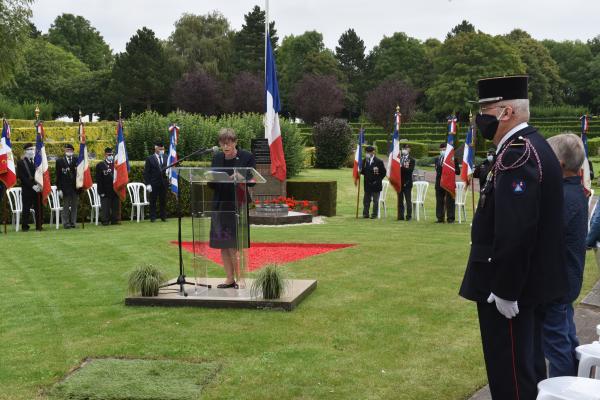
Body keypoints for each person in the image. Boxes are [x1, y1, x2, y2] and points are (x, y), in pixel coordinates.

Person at [459, 75, 568, 400]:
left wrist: (505, 290)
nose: (481, 119)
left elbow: (516, 230)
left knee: (512, 380)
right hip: (526, 286)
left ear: (506, 112)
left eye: (485, 110)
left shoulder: (517, 153)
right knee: (527, 370)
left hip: (509, 292)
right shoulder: (534, 147)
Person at [542, 133, 588, 377]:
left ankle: (564, 388)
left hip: (557, 284)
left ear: (559, 164)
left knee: (557, 346)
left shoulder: (562, 197)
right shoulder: (573, 191)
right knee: (566, 338)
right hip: (566, 280)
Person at [209, 128, 256, 288]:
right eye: (222, 143)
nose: (225, 147)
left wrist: (241, 177)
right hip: (220, 203)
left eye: (228, 143)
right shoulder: (216, 158)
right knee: (223, 243)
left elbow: (252, 179)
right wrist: (213, 178)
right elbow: (211, 182)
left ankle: (241, 278)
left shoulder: (246, 157)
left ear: (235, 142)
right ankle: (229, 278)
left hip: (237, 204)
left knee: (235, 244)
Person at [16, 143, 42, 231]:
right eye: (29, 149)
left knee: (38, 208)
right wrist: (32, 186)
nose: (31, 151)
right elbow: (22, 177)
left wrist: (39, 185)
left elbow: (41, 174)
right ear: (25, 151)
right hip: (27, 189)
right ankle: (25, 226)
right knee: (26, 208)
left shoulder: (37, 161)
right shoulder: (21, 163)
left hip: (38, 188)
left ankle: (39, 225)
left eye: (32, 149)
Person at [434, 143, 460, 223]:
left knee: (450, 200)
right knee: (439, 200)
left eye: (444, 150)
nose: (442, 151)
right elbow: (437, 171)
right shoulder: (437, 159)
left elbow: (458, 172)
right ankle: (440, 218)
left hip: (449, 182)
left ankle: (450, 218)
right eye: (441, 150)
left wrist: (451, 168)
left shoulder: (453, 159)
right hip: (439, 182)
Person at [144, 140, 169, 222]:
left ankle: (163, 216)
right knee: (153, 201)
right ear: (156, 149)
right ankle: (153, 217)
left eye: (163, 149)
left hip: (163, 183)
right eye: (160, 149)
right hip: (153, 183)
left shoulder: (166, 157)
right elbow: (146, 173)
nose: (162, 151)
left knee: (163, 200)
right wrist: (148, 184)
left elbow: (169, 170)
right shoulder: (150, 158)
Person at [55, 143, 78, 228]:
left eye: (70, 150)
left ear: (73, 151)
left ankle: (73, 222)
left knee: (74, 206)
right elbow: (58, 176)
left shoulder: (77, 159)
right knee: (66, 206)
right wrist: (59, 189)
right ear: (65, 151)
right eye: (67, 150)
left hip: (75, 187)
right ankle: (65, 223)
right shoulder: (59, 161)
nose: (69, 151)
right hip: (65, 188)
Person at [95, 147, 119, 225]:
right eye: (109, 154)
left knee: (115, 206)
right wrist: (100, 191)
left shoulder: (116, 164)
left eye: (112, 154)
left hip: (115, 189)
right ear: (105, 155)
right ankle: (105, 220)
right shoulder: (100, 165)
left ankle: (114, 220)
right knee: (105, 207)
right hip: (105, 190)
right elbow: (99, 179)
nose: (111, 156)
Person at [361, 145, 386, 219]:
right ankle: (365, 214)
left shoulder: (379, 161)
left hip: (376, 184)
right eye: (366, 152)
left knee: (375, 201)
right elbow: (363, 171)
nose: (367, 153)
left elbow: (383, 172)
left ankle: (374, 214)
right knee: (366, 200)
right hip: (367, 184)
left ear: (373, 152)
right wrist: (359, 170)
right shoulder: (365, 161)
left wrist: (378, 180)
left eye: (369, 152)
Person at [398, 144, 415, 220]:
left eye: (406, 148)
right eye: (403, 148)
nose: (404, 149)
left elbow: (410, 170)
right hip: (399, 182)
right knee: (400, 200)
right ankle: (400, 216)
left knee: (408, 200)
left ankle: (408, 216)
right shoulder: (399, 159)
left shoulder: (411, 160)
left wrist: (401, 167)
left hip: (407, 182)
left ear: (409, 150)